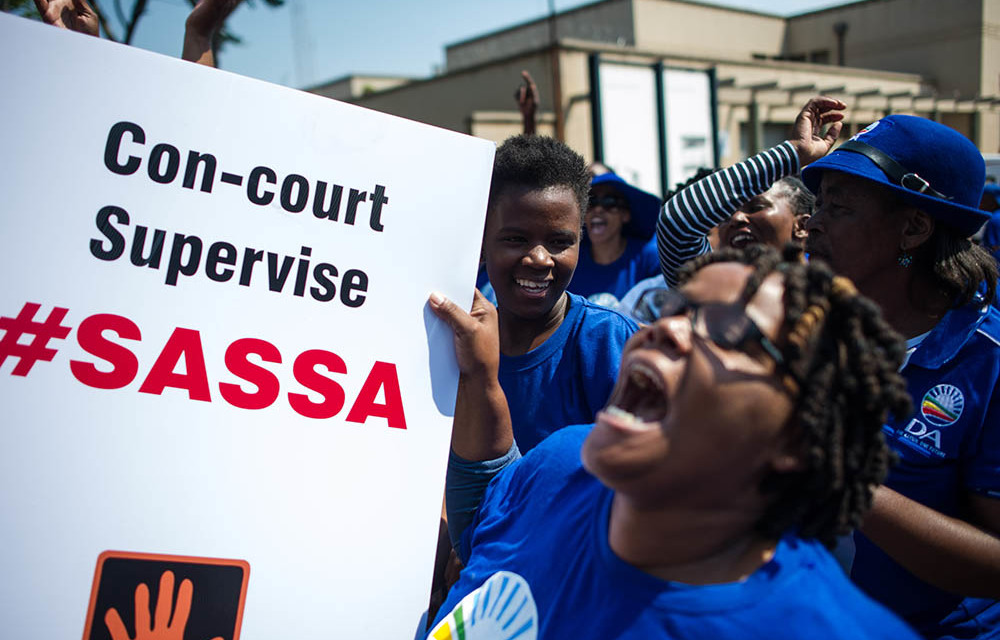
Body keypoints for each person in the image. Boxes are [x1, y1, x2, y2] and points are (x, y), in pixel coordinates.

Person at [427, 243, 919, 639]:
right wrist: (478, 379)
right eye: (675, 309)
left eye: (728, 331)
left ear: (797, 435)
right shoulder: (560, 462)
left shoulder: (822, 629)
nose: (667, 331)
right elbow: (489, 525)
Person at [673, 95, 1000, 637]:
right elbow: (678, 230)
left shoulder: (986, 362)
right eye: (818, 204)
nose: (814, 224)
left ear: (914, 230)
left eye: (840, 207)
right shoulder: (797, 309)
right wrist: (790, 154)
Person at [481, 134, 638, 453]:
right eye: (515, 239)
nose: (539, 259)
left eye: (559, 242)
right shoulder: (457, 349)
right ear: (482, 241)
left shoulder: (609, 343)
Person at [569, 172, 663, 305]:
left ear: (625, 215)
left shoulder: (650, 257)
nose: (598, 209)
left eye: (609, 202)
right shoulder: (572, 260)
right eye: (591, 201)